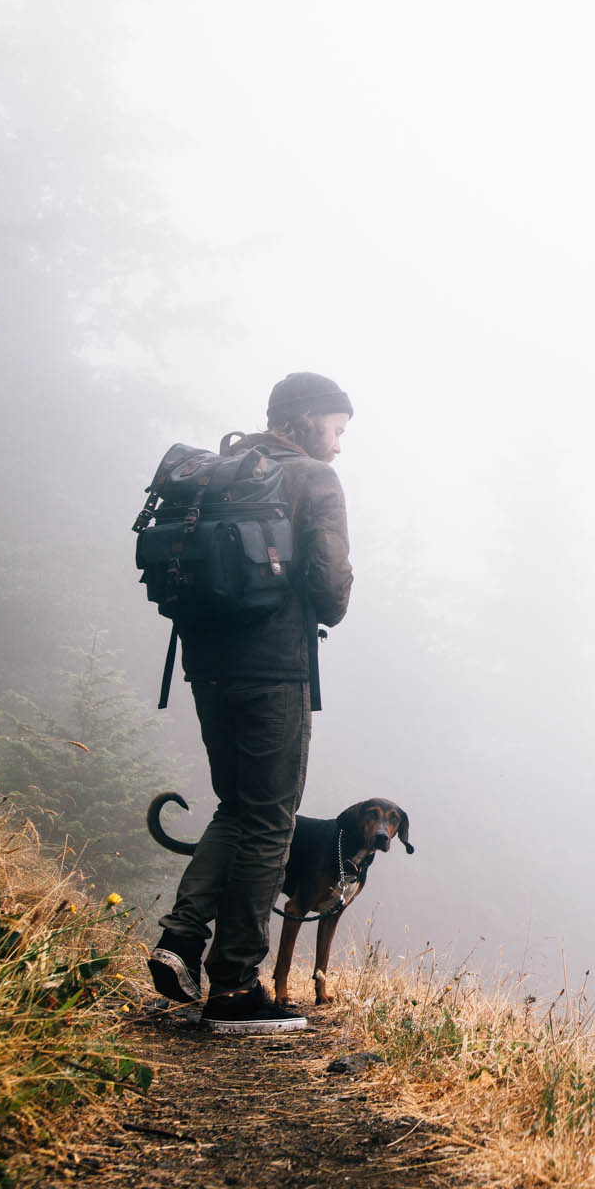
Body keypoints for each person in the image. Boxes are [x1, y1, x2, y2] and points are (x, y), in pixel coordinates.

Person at [148, 372, 355, 1034]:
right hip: (275, 671)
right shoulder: (315, 481)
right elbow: (329, 593)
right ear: (301, 421)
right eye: (336, 427)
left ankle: (180, 939)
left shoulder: (227, 470)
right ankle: (235, 983)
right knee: (272, 819)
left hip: (207, 666)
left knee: (239, 807)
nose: (339, 445)